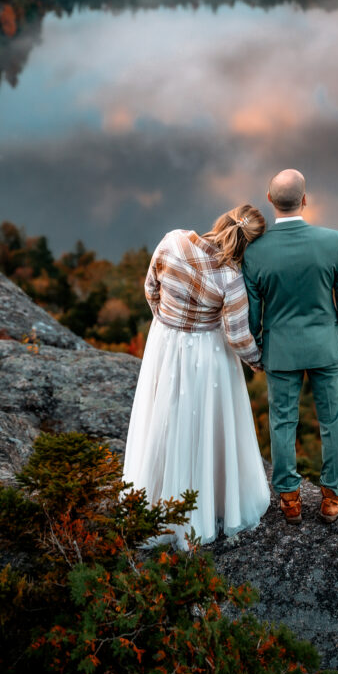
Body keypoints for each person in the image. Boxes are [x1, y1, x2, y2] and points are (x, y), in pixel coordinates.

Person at [122, 204, 271, 549]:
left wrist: (167, 322)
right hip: (206, 356)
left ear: (222, 220)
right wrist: (257, 361)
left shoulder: (172, 241)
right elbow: (237, 336)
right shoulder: (231, 279)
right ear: (250, 245)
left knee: (164, 419)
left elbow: (150, 288)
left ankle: (154, 503)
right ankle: (205, 508)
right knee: (202, 426)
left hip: (164, 343)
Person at [242, 169, 338, 525]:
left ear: (270, 199)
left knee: (282, 421)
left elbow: (253, 313)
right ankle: (332, 497)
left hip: (280, 350)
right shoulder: (332, 241)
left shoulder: (255, 252)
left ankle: (290, 500)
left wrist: (258, 347)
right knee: (332, 420)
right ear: (305, 200)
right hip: (326, 345)